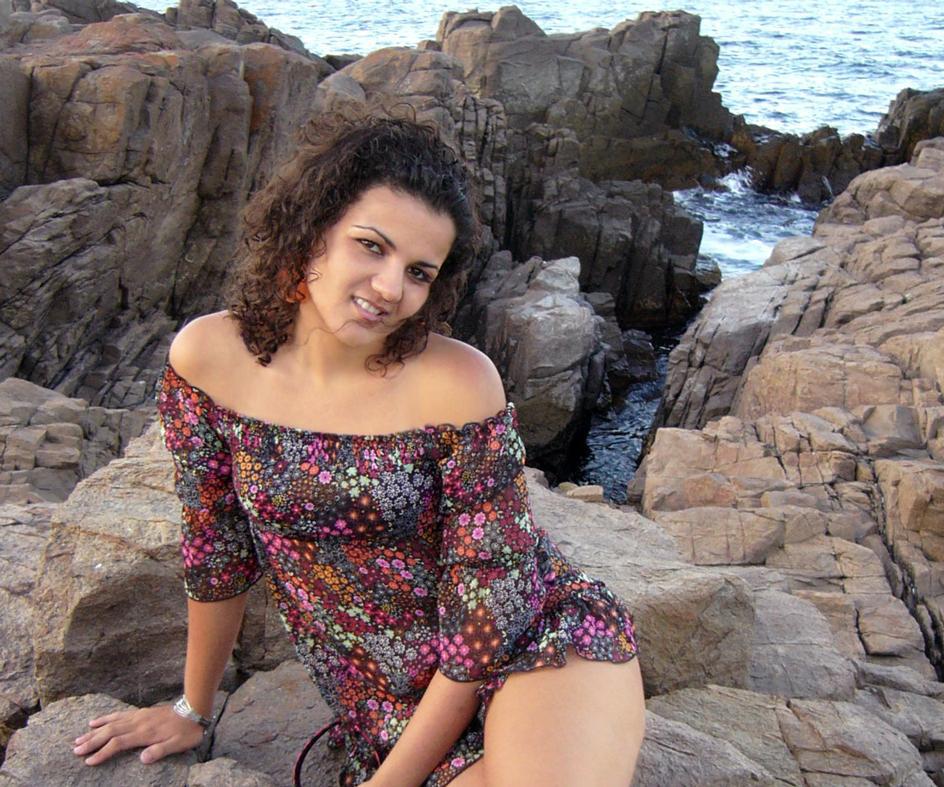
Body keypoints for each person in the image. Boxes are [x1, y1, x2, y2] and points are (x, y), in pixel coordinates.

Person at [70, 112, 645, 786]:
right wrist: (192, 708)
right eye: (371, 246)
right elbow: (216, 548)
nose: (390, 288)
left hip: (533, 645)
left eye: (418, 272)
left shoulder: (458, 384)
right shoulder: (209, 358)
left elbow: (487, 611)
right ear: (311, 229)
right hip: (384, 699)